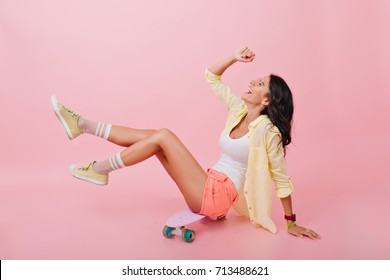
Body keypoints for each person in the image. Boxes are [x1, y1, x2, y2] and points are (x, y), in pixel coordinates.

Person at [51, 47, 320, 239]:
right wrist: (234, 58)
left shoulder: (269, 132)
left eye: (259, 83)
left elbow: (282, 179)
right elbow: (211, 76)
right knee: (156, 138)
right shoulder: (238, 109)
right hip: (207, 184)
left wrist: (291, 222)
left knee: (164, 135)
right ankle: (83, 126)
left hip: (218, 195)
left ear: (267, 101)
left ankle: (100, 169)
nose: (252, 81)